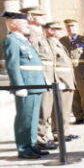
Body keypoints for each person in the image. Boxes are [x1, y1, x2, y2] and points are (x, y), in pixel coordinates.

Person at [1, 11, 48, 159]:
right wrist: (18, 86)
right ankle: (23, 148)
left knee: (33, 117)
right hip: (26, 85)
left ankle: (32, 145)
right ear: (13, 23)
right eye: (23, 21)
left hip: (35, 84)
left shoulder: (24, 40)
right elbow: (12, 65)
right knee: (24, 117)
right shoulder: (11, 40)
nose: (27, 23)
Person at [25, 8, 57, 151]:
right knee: (43, 109)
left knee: (47, 108)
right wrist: (43, 76)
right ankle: (40, 138)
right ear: (30, 17)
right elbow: (35, 57)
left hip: (49, 74)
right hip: (42, 74)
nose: (43, 17)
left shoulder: (39, 33)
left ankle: (46, 135)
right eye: (39, 15)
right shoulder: (31, 33)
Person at [43, 21, 77, 143]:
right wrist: (57, 80)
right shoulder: (49, 43)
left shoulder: (57, 43)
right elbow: (51, 65)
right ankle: (58, 133)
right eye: (55, 29)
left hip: (67, 80)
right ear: (48, 30)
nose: (58, 31)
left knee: (66, 109)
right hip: (61, 80)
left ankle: (64, 131)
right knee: (59, 109)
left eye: (58, 29)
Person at [61, 19, 84, 124]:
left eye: (72, 26)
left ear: (77, 27)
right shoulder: (62, 41)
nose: (70, 28)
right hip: (68, 71)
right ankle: (78, 116)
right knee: (73, 94)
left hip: (82, 70)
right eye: (68, 26)